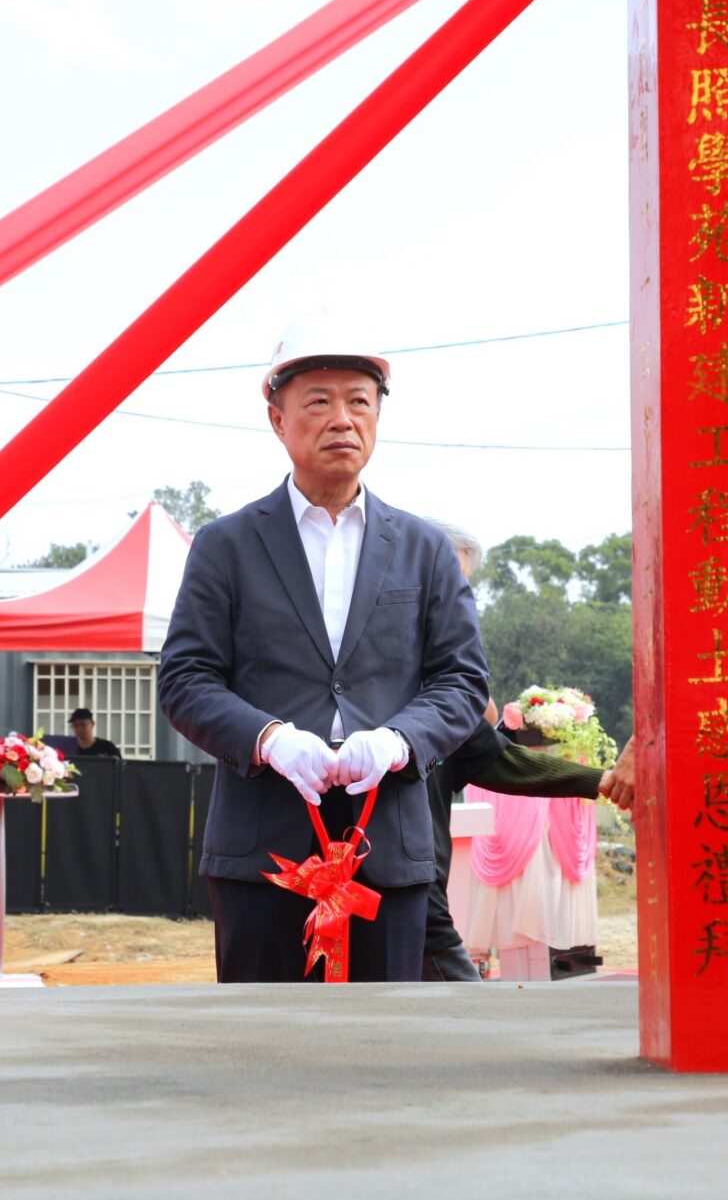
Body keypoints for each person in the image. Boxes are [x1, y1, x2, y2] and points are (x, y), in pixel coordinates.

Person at [157, 316, 488, 982]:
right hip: (262, 850)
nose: (342, 419)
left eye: (359, 402)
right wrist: (269, 738)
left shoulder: (422, 549)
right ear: (276, 417)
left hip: (385, 850)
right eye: (318, 401)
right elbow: (186, 679)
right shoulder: (228, 545)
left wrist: (397, 741)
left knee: (380, 1057)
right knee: (260, 1055)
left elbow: (460, 681)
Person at [420, 521, 616, 982]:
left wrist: (600, 781)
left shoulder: (450, 676)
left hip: (420, 873)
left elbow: (493, 755)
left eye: (463, 590)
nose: (457, 603)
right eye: (447, 585)